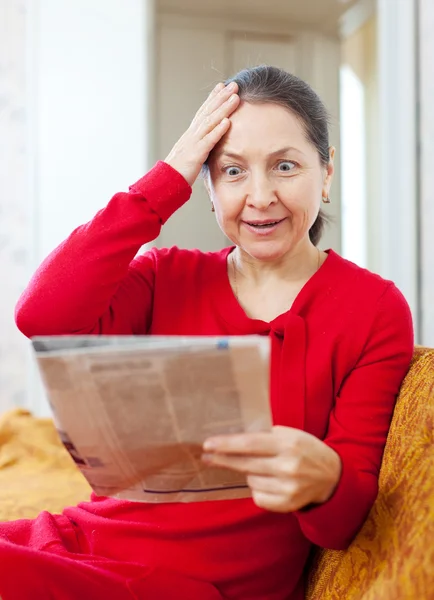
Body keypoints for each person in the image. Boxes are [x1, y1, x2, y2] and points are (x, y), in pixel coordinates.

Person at [0, 66, 413, 600]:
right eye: (232, 172)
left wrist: (324, 481)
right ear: (208, 186)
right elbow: (42, 315)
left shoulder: (373, 308)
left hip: (188, 586)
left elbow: (337, 523)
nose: (260, 196)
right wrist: (167, 178)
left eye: (285, 166)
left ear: (327, 172)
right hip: (76, 545)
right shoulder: (164, 275)